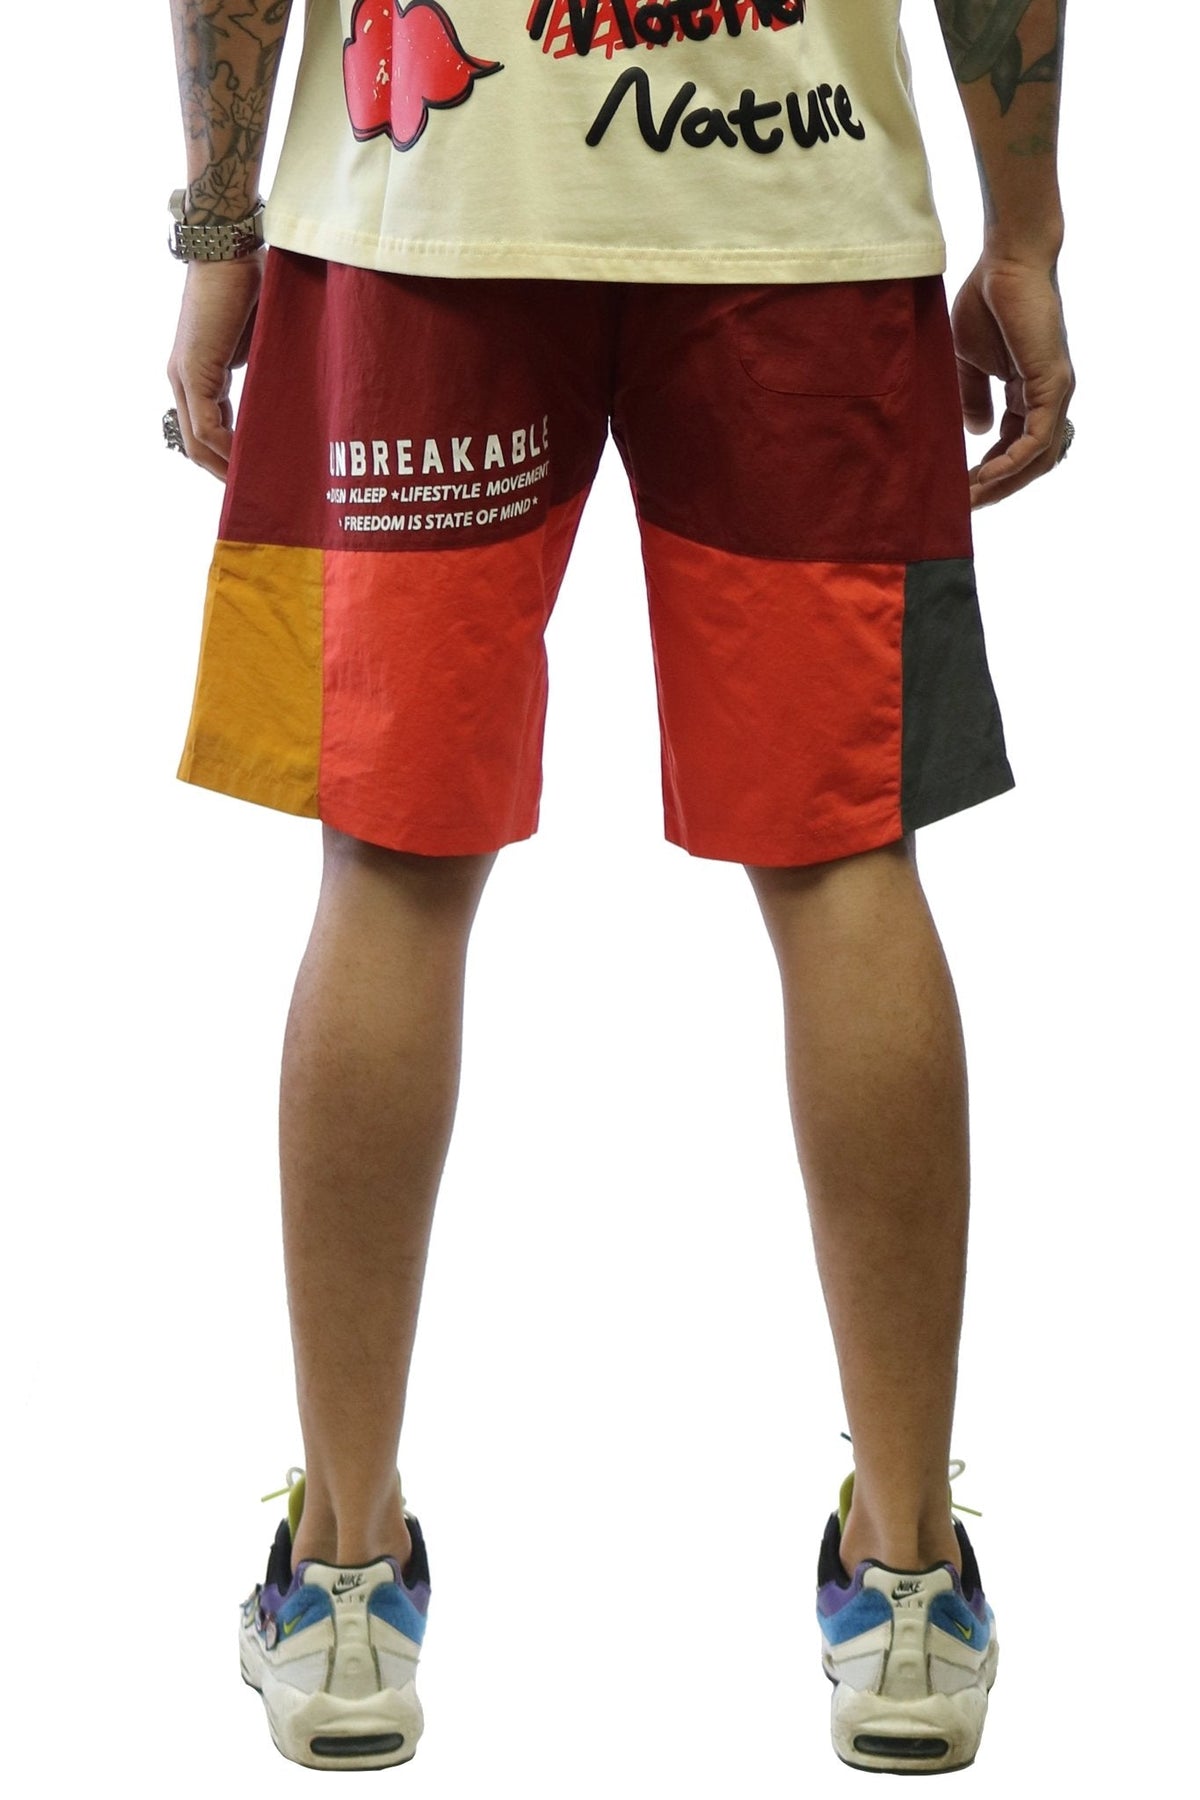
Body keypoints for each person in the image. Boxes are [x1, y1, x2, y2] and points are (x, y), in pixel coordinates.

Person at [166, 0, 1073, 1776]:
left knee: (393, 867)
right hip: (798, 208)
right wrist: (1025, 226)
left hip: (426, 208)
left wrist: (217, 223)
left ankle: (343, 1590)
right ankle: (907, 1592)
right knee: (843, 859)